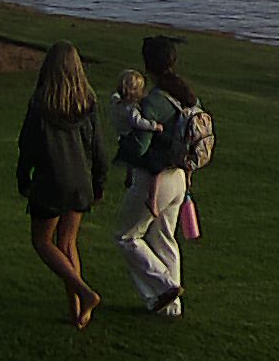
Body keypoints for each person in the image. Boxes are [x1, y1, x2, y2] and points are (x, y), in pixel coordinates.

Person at [17, 42, 109, 328]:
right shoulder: (87, 102)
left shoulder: (40, 104)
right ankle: (78, 313)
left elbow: (27, 146)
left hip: (51, 182)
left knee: (42, 242)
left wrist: (24, 179)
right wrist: (98, 183)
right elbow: (98, 148)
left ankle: (84, 292)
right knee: (67, 243)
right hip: (80, 182)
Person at [115, 36, 196, 317]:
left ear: (147, 65)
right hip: (179, 177)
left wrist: (123, 143)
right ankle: (170, 308)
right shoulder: (186, 95)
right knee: (164, 238)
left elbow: (140, 147)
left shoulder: (154, 101)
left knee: (126, 236)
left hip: (154, 180)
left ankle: (164, 287)